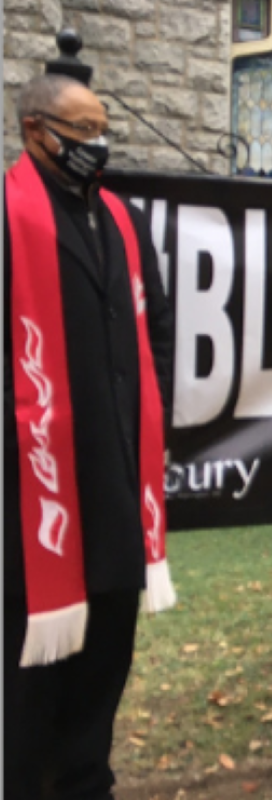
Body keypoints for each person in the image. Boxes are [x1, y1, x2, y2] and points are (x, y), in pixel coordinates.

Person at [4, 73, 176, 798]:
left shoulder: (123, 221)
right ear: (34, 131)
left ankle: (85, 780)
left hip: (112, 487)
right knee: (32, 677)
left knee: (106, 657)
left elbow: (155, 333)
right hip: (31, 497)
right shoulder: (10, 216)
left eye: (103, 129)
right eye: (80, 133)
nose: (94, 146)